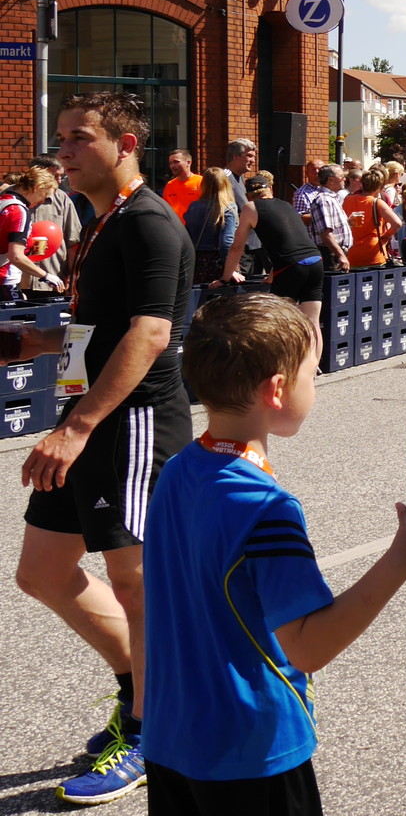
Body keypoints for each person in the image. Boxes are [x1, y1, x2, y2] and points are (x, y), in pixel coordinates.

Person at [143, 291, 406, 813]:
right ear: (278, 389)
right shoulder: (265, 506)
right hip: (250, 749)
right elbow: (308, 647)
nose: (316, 384)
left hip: (171, 737)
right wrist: (400, 561)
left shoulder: (176, 472)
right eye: (313, 372)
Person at [14, 92, 194, 804]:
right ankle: (139, 689)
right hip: (92, 417)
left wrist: (75, 426)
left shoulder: (150, 223)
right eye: (61, 137)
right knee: (42, 571)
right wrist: (33, 342)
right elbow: (99, 327)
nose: (64, 150)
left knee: (138, 588)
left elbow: (149, 335)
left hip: (133, 422)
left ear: (125, 144)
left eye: (79, 138)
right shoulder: (101, 221)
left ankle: (152, 731)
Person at [224, 173, 329, 337]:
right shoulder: (286, 205)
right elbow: (287, 242)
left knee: (279, 321)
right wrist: (272, 276)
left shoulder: (251, 208)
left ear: (247, 196)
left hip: (291, 266)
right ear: (270, 189)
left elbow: (237, 247)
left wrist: (226, 277)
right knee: (313, 322)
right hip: (315, 259)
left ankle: (284, 361)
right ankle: (313, 363)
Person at [0, 167, 64, 301]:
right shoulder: (19, 210)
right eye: (45, 196)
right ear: (38, 187)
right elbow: (15, 256)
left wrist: (27, 248)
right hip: (5, 281)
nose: (42, 201)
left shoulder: (3, 201)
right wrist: (46, 276)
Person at [26, 153, 80, 297]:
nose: (59, 181)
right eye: (54, 176)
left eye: (61, 176)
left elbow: (73, 242)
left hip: (53, 280)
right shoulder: (13, 197)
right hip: (17, 281)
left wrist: (71, 278)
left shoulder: (62, 199)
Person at [184, 167, 239, 287]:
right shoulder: (228, 207)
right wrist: (231, 270)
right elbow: (226, 242)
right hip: (219, 263)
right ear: (225, 184)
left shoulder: (193, 206)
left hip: (197, 262)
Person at [343, 168, 403, 270]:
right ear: (379, 187)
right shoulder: (377, 203)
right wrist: (386, 235)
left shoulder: (347, 199)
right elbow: (397, 223)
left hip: (352, 253)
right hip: (373, 254)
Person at [306, 164, 353, 275]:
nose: (344, 179)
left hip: (336, 253)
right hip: (330, 255)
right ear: (331, 180)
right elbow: (325, 233)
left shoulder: (332, 198)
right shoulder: (323, 200)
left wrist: (348, 223)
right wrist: (340, 255)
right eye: (341, 176)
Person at [161, 149, 202, 221]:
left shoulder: (201, 182)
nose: (172, 166)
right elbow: (166, 209)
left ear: (188, 163)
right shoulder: (170, 185)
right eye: (170, 163)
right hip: (176, 228)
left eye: (176, 162)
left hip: (195, 228)